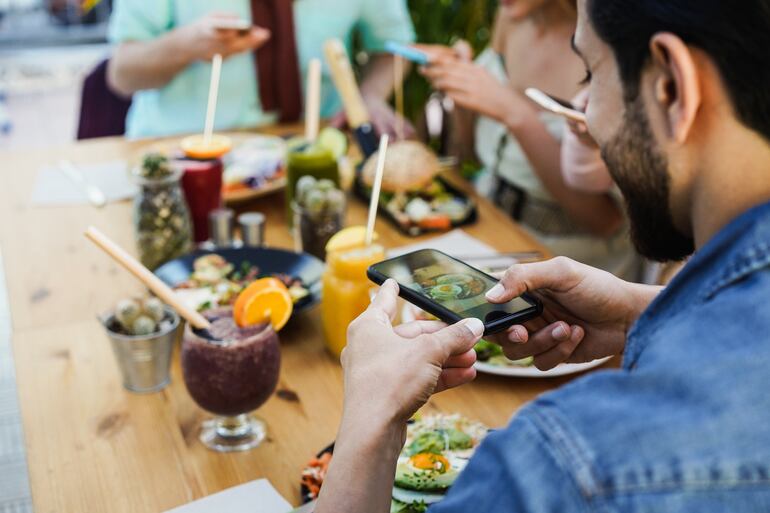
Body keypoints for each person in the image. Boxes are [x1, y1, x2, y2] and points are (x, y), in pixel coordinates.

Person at [315, 0, 770, 510]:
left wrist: (367, 424)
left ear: (671, 85)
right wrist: (643, 312)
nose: (585, 120)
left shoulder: (566, 465)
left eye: (591, 76)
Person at [418, 0, 642, 282]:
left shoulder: (606, 47)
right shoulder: (510, 15)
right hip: (486, 230)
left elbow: (604, 221)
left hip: (571, 267)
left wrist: (516, 115)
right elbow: (473, 155)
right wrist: (461, 85)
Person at [106, 0, 415, 138]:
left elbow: (393, 47)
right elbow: (122, 73)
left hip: (317, 147)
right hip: (181, 154)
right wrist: (186, 45)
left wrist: (372, 96)